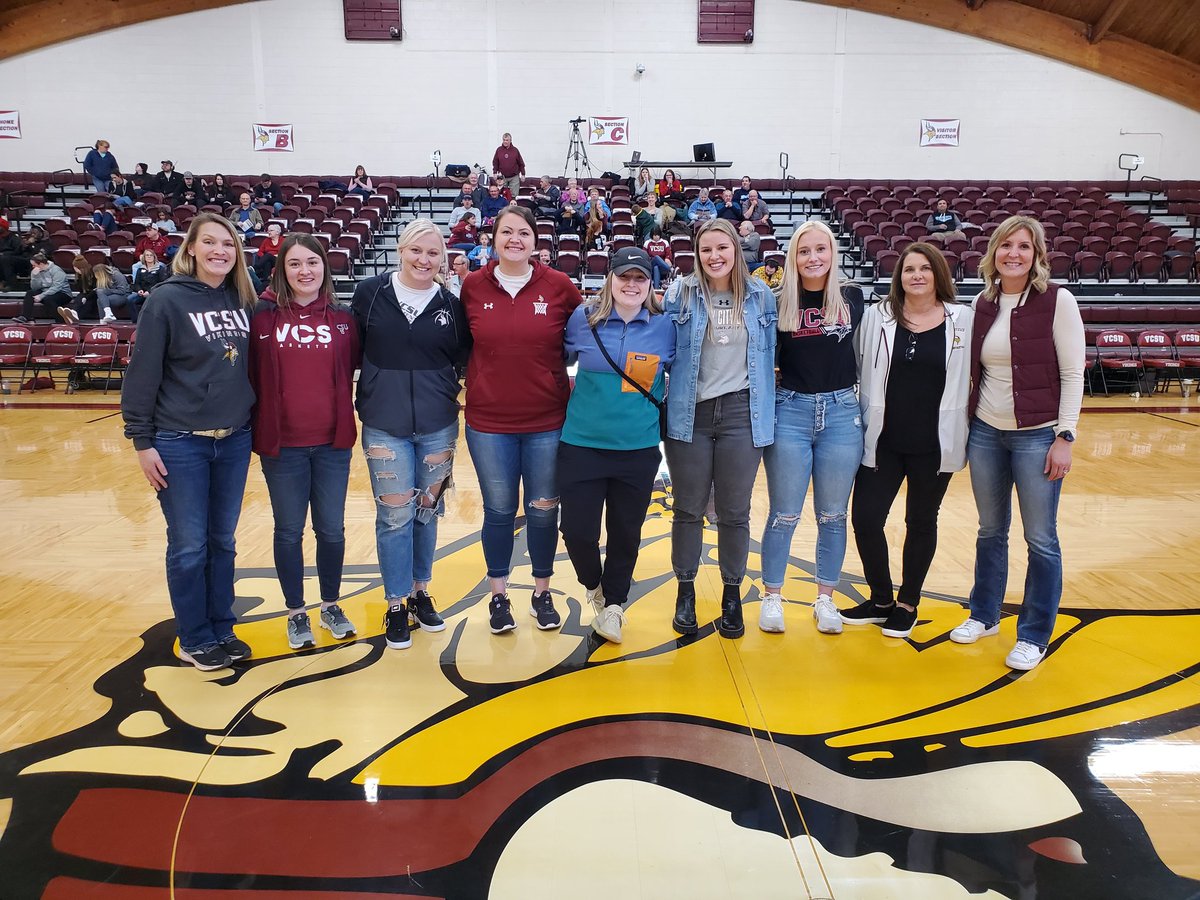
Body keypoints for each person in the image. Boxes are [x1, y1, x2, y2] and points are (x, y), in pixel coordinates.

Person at [120, 212, 258, 671]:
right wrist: (142, 441)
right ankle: (195, 635)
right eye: (211, 243)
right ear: (192, 248)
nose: (221, 250)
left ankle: (221, 625)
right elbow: (142, 374)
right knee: (189, 544)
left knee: (223, 541)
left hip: (233, 440)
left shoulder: (244, 298)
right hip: (180, 442)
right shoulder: (166, 300)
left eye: (228, 244)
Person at [949, 215, 1085, 671]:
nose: (1014, 254)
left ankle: (1034, 634)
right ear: (993, 253)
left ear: (1037, 255)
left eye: (1024, 246)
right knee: (990, 531)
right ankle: (984, 614)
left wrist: (1065, 435)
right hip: (986, 432)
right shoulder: (982, 303)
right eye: (1006, 246)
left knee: (1041, 538)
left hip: (1038, 434)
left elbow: (1071, 374)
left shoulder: (1057, 302)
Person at [461, 205, 583, 634]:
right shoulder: (472, 286)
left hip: (548, 421)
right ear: (493, 239)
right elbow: (460, 345)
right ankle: (498, 596)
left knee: (544, 510)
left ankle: (541, 592)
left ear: (536, 241)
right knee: (499, 511)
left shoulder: (560, 286)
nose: (515, 239)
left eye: (524, 233)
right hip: (488, 423)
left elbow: (587, 334)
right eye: (506, 232)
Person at [352, 219, 470, 650]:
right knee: (395, 515)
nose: (424, 260)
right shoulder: (370, 294)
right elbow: (354, 351)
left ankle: (421, 592)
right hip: (385, 423)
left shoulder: (450, 305)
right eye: (416, 251)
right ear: (401, 250)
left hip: (438, 425)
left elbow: (461, 357)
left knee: (426, 512)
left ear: (443, 259)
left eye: (433, 253)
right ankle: (396, 602)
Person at [847, 243, 973, 639]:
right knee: (866, 519)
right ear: (898, 277)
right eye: (908, 269)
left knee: (920, 521)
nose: (916, 275)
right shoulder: (877, 316)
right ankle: (881, 598)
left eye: (924, 268)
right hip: (883, 439)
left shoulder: (963, 320)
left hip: (934, 443)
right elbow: (857, 361)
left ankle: (908, 602)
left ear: (938, 274)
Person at [663, 219, 777, 639]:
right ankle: (686, 590)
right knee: (688, 508)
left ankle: (732, 593)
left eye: (722, 248)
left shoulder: (762, 296)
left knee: (734, 511)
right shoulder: (681, 292)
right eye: (706, 249)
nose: (714, 256)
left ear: (736, 249)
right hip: (689, 413)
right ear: (697, 252)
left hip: (741, 414)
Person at [250, 234, 362, 651]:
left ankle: (331, 604)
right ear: (282, 270)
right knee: (288, 531)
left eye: (312, 262)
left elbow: (355, 366)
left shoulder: (344, 319)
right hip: (284, 447)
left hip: (333, 444)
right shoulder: (261, 318)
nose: (305, 271)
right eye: (295, 264)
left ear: (324, 268)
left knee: (331, 530)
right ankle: (296, 612)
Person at [559, 247, 675, 643]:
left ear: (650, 284)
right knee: (576, 531)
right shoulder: (582, 320)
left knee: (626, 532)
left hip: (638, 449)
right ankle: (594, 586)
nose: (631, 284)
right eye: (623, 276)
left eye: (639, 278)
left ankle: (614, 605)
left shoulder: (666, 327)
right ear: (610, 279)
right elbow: (553, 362)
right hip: (581, 444)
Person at [758, 220, 865, 636]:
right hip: (791, 412)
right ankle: (772, 596)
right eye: (805, 251)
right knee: (784, 513)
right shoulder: (779, 299)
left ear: (833, 253)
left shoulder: (853, 298)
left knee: (833, 515)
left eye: (821, 249)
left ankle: (825, 599)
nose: (813, 258)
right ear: (793, 257)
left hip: (841, 412)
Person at [15, 253, 73, 324]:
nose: (33, 267)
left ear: (41, 264)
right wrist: (35, 277)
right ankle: (25, 316)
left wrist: (41, 296)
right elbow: (34, 288)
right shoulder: (36, 272)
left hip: (62, 293)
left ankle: (61, 321)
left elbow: (56, 287)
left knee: (48, 299)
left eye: (34, 265)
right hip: (45, 291)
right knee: (30, 293)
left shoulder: (56, 271)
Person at [120, 249, 169, 324]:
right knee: (130, 299)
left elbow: (161, 283)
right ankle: (136, 321)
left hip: (154, 292)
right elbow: (136, 283)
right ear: (144, 257)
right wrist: (139, 290)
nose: (149, 257)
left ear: (154, 257)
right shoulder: (140, 269)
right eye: (147, 255)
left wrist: (149, 292)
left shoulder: (160, 269)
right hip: (142, 293)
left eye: (151, 255)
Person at [0, 223, 48, 290]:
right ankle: (3, 282)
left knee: (5, 259)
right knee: (4, 259)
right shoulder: (26, 242)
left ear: (41, 233)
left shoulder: (46, 243)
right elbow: (19, 251)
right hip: (22, 261)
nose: (32, 235)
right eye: (31, 233)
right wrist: (26, 244)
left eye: (35, 233)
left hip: (32, 262)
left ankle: (12, 285)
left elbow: (42, 254)